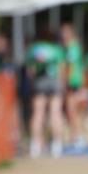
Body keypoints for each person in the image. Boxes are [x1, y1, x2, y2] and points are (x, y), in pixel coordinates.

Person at [25, 30, 65, 158]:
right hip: (54, 82)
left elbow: (30, 71)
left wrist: (33, 83)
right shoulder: (56, 50)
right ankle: (56, 145)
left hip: (39, 82)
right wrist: (62, 85)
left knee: (38, 113)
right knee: (55, 113)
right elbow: (61, 69)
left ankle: (35, 145)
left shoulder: (33, 49)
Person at [60, 23, 85, 150]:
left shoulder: (72, 47)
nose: (63, 36)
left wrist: (64, 82)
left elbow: (69, 66)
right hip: (73, 83)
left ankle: (77, 137)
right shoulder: (72, 47)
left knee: (71, 111)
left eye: (65, 33)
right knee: (71, 111)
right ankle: (75, 137)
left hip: (72, 83)